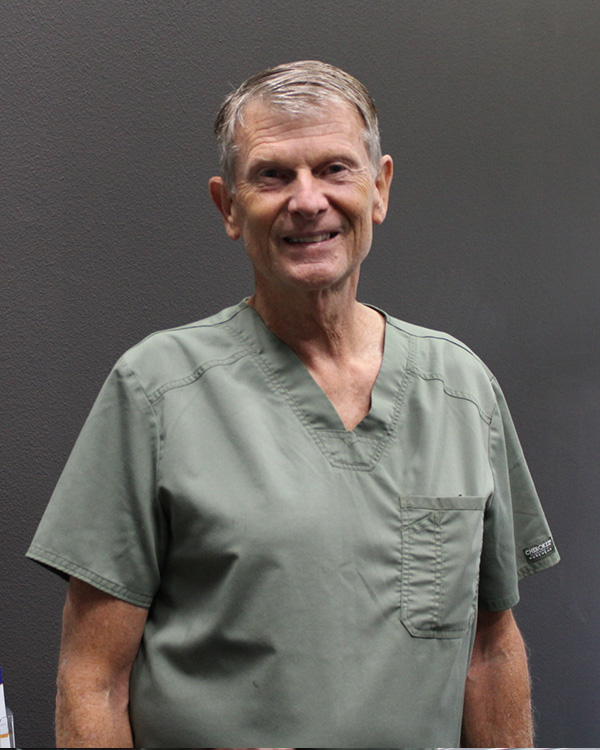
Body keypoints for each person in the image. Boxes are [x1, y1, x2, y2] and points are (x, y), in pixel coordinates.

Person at [27, 60, 559, 748]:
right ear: (227, 206)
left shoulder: (460, 391)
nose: (308, 201)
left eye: (335, 169)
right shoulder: (156, 392)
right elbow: (93, 680)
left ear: (379, 188)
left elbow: (490, 655)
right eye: (273, 175)